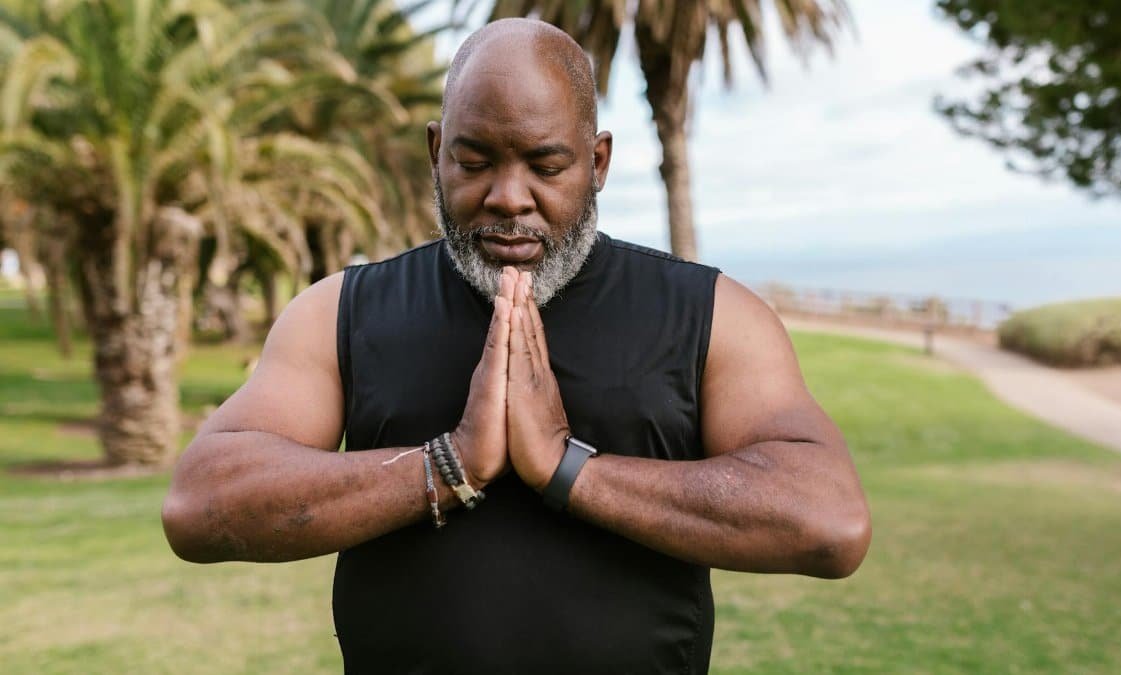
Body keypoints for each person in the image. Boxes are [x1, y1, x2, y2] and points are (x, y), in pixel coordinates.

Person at [162, 18, 870, 675]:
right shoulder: (342, 313)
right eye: (475, 160)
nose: (508, 195)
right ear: (437, 152)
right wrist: (449, 464)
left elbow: (829, 521)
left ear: (596, 162)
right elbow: (200, 504)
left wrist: (568, 471)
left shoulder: (713, 315)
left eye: (545, 164)